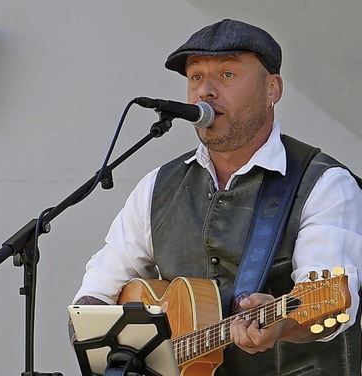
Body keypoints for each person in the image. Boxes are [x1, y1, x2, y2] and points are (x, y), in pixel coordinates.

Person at [73, 19, 362, 375]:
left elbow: (330, 308)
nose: (205, 91)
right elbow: (97, 296)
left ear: (272, 89)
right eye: (195, 77)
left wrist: (282, 325)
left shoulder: (325, 183)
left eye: (226, 75)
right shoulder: (157, 186)